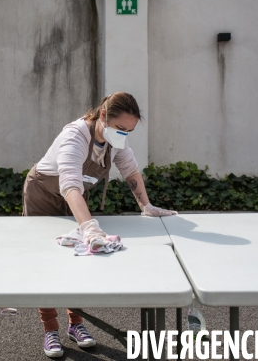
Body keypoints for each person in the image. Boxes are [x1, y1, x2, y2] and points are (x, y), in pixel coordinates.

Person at [22, 91, 177, 358]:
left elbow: (130, 170)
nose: (124, 135)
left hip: (74, 197)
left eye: (129, 131)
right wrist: (90, 227)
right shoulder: (75, 136)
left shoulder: (115, 140)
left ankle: (76, 324)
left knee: (78, 257)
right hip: (44, 195)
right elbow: (69, 183)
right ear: (103, 115)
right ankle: (50, 329)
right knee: (47, 265)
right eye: (120, 128)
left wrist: (146, 205)